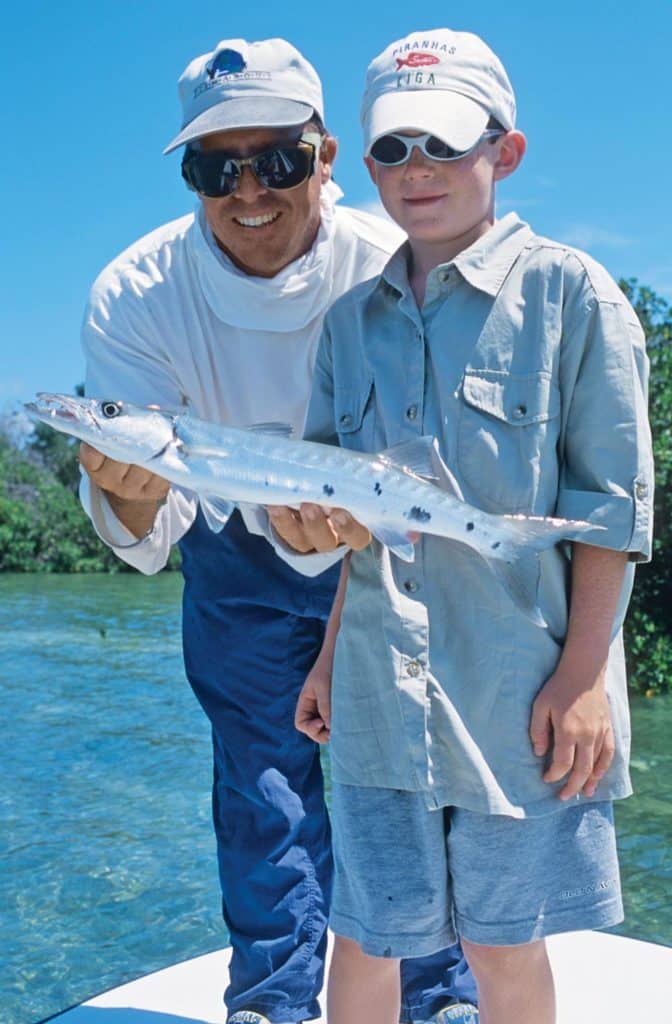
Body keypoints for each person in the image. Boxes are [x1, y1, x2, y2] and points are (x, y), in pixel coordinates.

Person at [77, 36, 478, 1024]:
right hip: (230, 543)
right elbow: (149, 521)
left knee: (407, 773)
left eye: (279, 161)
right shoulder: (132, 296)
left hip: (381, 543)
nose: (248, 191)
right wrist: (122, 488)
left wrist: (349, 577)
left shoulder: (395, 268)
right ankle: (272, 998)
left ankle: (439, 998)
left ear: (328, 156)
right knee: (263, 784)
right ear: (189, 175)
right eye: (217, 168)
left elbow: (429, 457)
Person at [271, 27, 654, 1024]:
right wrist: (325, 656)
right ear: (365, 166)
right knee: (362, 928)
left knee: (501, 936)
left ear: (506, 152)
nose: (417, 170)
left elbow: (611, 516)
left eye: (444, 143)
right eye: (394, 148)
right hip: (373, 691)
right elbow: (358, 523)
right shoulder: (346, 326)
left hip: (519, 690)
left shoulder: (577, 298)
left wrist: (581, 681)